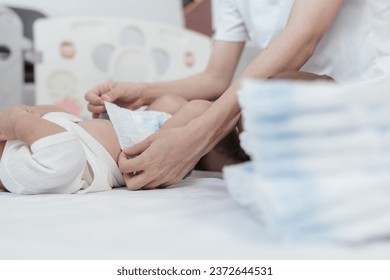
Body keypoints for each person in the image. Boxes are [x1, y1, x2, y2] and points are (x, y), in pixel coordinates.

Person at [85, 0, 390, 190]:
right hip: (289, 105)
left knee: (258, 103)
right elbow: (215, 77)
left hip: (365, 97)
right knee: (185, 107)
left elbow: (302, 40)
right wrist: (141, 92)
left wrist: (195, 137)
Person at [0, 95, 245, 194]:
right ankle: (231, 161)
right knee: (199, 109)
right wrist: (19, 122)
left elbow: (57, 117)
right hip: (143, 155)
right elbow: (65, 155)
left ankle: (218, 153)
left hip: (131, 128)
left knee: (168, 101)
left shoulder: (14, 143)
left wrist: (33, 111)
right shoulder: (13, 172)